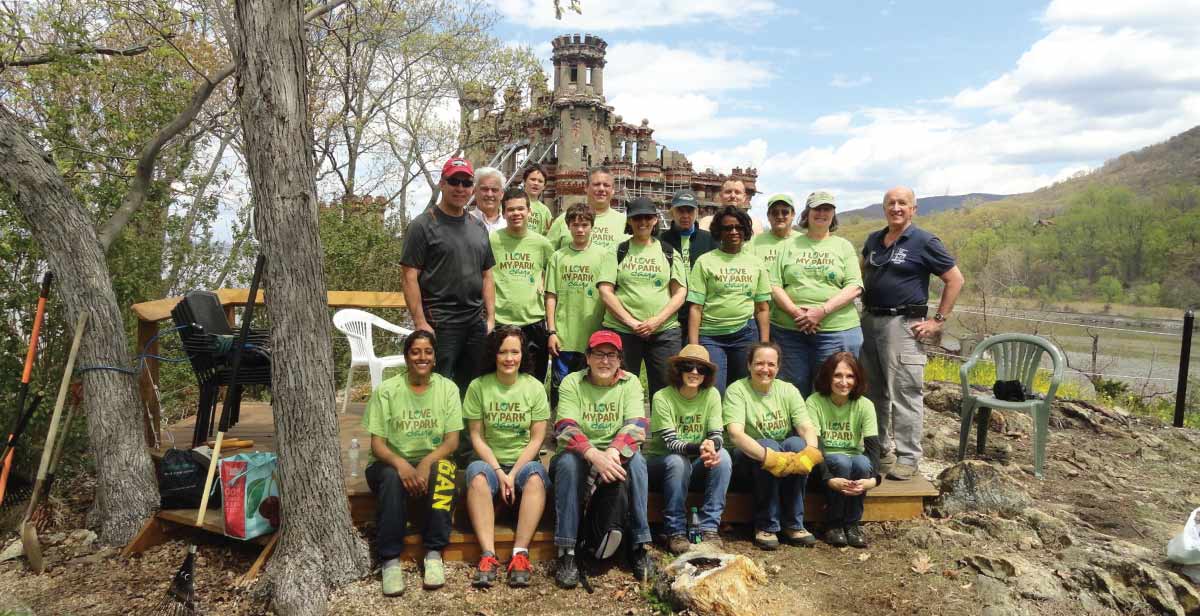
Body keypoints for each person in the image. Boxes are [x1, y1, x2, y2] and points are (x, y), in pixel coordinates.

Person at [860, 186, 964, 480]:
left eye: (902, 203)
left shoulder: (924, 241)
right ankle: (880, 451)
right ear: (884, 208)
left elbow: (955, 279)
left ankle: (908, 457)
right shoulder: (874, 240)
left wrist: (938, 321)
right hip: (870, 320)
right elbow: (861, 272)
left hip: (903, 324)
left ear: (913, 209)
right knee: (872, 392)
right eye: (891, 203)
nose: (896, 208)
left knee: (904, 391)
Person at [362, 331, 462, 596]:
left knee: (444, 470)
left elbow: (452, 442)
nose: (422, 357)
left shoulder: (448, 389)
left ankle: (434, 553)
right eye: (415, 352)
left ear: (435, 357)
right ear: (406, 357)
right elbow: (377, 445)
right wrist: (402, 465)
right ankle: (390, 559)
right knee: (392, 477)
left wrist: (426, 463)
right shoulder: (387, 390)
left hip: (432, 458)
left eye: (428, 351)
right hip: (389, 462)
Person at [550, 330, 653, 587]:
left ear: (619, 359)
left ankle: (639, 545)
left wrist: (612, 453)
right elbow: (565, 426)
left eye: (611, 355)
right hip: (580, 456)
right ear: (587, 357)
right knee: (567, 463)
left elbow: (636, 425)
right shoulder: (572, 382)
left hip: (615, 456)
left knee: (638, 462)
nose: (605, 361)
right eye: (598, 354)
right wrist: (595, 455)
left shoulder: (630, 383)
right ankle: (567, 551)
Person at [463, 326, 552, 587]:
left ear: (523, 354)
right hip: (490, 462)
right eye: (503, 352)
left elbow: (537, 439)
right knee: (477, 477)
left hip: (522, 463)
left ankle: (520, 554)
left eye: (515, 352)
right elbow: (477, 437)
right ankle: (488, 555)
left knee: (536, 478)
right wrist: (500, 472)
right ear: (494, 354)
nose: (509, 358)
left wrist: (512, 474)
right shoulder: (479, 386)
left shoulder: (534, 387)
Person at [401, 156, 495, 395]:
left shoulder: (478, 226)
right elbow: (409, 277)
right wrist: (420, 322)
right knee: (436, 387)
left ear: (472, 187)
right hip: (440, 322)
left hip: (475, 322)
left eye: (466, 183)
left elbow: (487, 275)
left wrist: (490, 318)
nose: (460, 188)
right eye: (454, 181)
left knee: (472, 388)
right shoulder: (422, 225)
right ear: (442, 183)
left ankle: (465, 423)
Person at [724, 342, 823, 550]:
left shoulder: (788, 390)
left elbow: (806, 427)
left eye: (771, 364)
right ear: (749, 365)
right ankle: (766, 525)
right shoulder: (737, 390)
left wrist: (810, 452)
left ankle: (794, 524)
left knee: (797, 443)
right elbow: (735, 434)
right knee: (769, 444)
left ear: (778, 367)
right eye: (759, 363)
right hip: (747, 459)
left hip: (781, 457)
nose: (765, 369)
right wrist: (770, 457)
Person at [770, 191, 864, 397]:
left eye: (827, 209)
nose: (822, 213)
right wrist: (796, 313)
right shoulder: (787, 245)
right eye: (817, 209)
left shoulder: (843, 246)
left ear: (833, 214)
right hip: (790, 332)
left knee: (833, 388)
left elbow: (855, 286)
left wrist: (821, 311)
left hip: (836, 330)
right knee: (792, 389)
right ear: (807, 213)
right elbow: (774, 284)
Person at [597, 196, 687, 399]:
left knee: (667, 389)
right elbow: (605, 291)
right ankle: (625, 421)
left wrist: (657, 321)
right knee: (620, 387)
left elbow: (680, 292)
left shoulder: (669, 252)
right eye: (637, 218)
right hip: (623, 330)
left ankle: (662, 421)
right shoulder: (618, 251)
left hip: (663, 332)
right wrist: (632, 322)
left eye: (647, 217)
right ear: (629, 221)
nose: (643, 222)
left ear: (655, 219)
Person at [645, 344, 730, 554]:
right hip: (663, 465)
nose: (694, 372)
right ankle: (675, 530)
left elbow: (716, 434)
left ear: (707, 374)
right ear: (678, 369)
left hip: (696, 462)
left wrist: (712, 446)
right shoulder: (662, 396)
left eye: (701, 368)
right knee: (677, 460)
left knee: (723, 456)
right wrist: (702, 447)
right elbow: (671, 443)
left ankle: (709, 527)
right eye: (688, 366)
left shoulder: (711, 395)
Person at [687, 206, 772, 393]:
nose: (734, 231)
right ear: (719, 231)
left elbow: (762, 308)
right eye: (727, 228)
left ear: (745, 230)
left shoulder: (756, 263)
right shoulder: (704, 261)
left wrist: (764, 345)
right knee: (715, 390)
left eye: (739, 227)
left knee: (742, 389)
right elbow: (695, 307)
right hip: (711, 336)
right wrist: (694, 347)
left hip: (745, 334)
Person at [808, 352, 882, 549]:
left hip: (853, 463)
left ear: (857, 379)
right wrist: (827, 478)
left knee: (862, 462)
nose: (844, 382)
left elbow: (873, 448)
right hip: (824, 464)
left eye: (850, 376)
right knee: (841, 461)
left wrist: (874, 479)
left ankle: (852, 524)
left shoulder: (865, 405)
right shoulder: (815, 402)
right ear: (828, 376)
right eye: (837, 375)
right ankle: (834, 524)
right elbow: (814, 447)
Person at [490, 186, 554, 384]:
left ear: (529, 211)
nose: (516, 213)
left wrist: (543, 281)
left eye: (520, 208)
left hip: (533, 322)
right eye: (510, 209)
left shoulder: (542, 243)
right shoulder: (492, 240)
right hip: (501, 321)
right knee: (501, 381)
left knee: (534, 382)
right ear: (503, 213)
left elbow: (554, 275)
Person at [545, 203, 606, 409]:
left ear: (592, 226)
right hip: (564, 337)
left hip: (593, 336)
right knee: (561, 388)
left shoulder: (603, 256)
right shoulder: (558, 257)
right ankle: (559, 424)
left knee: (590, 388)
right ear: (568, 226)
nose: (580, 229)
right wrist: (552, 331)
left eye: (585, 225)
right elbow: (551, 296)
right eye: (575, 225)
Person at [660, 189, 718, 332]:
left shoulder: (710, 240)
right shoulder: (660, 240)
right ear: (672, 212)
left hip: (702, 311)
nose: (685, 215)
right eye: (680, 210)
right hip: (669, 312)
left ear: (697, 212)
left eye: (690, 211)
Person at [546, 165, 628, 251]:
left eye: (606, 185)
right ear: (586, 187)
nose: (601, 188)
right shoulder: (564, 219)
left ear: (613, 190)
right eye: (596, 184)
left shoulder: (625, 223)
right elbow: (547, 254)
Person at [749, 194, 796, 275]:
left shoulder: (803, 242)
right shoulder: (754, 243)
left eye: (785, 212)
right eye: (775, 213)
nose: (780, 216)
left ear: (793, 215)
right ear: (768, 216)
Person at [699, 178, 764, 235]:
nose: (733, 196)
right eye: (728, 192)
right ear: (721, 196)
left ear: (744, 197)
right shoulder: (706, 222)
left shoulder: (754, 224)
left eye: (737, 192)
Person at [471, 167, 507, 233]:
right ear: (475, 191)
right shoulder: (464, 221)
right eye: (484, 189)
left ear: (502, 194)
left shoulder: (509, 223)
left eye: (494, 190)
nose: (489, 194)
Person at [521, 164, 554, 235]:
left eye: (540, 181)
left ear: (544, 186)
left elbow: (549, 236)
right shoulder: (513, 202)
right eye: (533, 179)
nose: (536, 183)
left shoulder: (545, 211)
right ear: (524, 181)